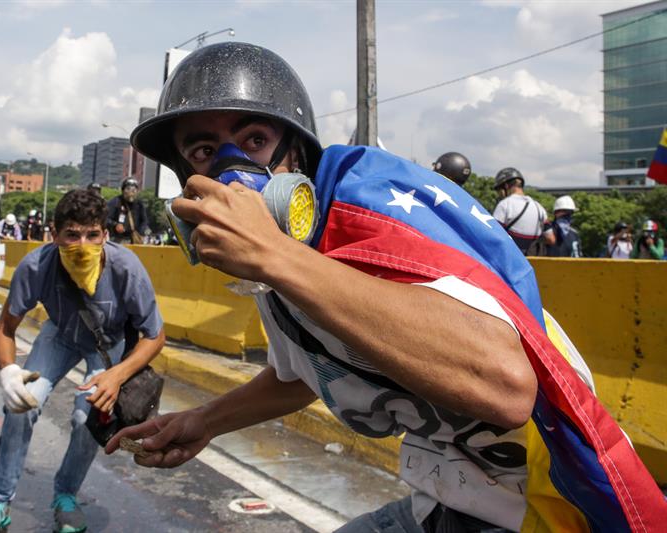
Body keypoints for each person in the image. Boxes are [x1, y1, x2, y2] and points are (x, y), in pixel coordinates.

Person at [104, 42, 667, 532]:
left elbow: (506, 387)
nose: (231, 168)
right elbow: (308, 371)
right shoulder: (288, 261)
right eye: (204, 152)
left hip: (551, 507)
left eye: (253, 140)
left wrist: (274, 256)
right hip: (450, 506)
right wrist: (203, 421)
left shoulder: (365, 211)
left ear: (296, 151)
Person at [0, 190, 165, 533]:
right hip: (60, 335)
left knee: (89, 414)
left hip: (107, 346)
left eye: (91, 235)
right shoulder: (36, 266)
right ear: (54, 235)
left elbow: (155, 336)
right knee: (21, 405)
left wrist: (116, 376)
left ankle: (66, 494)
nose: (81, 244)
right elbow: (5, 330)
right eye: (71, 234)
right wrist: (9, 372)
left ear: (105, 235)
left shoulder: (127, 268)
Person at [492, 167, 555, 255]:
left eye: (499, 190)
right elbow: (550, 239)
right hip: (531, 263)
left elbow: (493, 235)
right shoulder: (539, 207)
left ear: (506, 186)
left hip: (511, 260)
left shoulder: (505, 204)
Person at [106, 178, 149, 244]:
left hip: (133, 239)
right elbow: (105, 218)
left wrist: (140, 232)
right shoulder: (115, 202)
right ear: (123, 190)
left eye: (133, 190)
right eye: (128, 189)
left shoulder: (139, 204)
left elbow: (144, 220)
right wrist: (115, 225)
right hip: (117, 239)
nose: (131, 192)